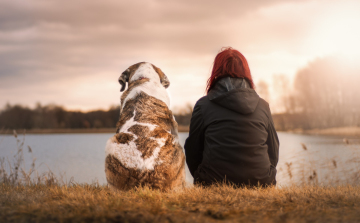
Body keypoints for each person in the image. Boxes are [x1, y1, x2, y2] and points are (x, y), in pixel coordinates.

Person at [184, 47, 279, 187]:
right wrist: (265, 175)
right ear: (246, 72)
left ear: (216, 72)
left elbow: (192, 151)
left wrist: (202, 177)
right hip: (261, 182)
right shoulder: (263, 106)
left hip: (213, 182)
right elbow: (273, 150)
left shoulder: (203, 106)